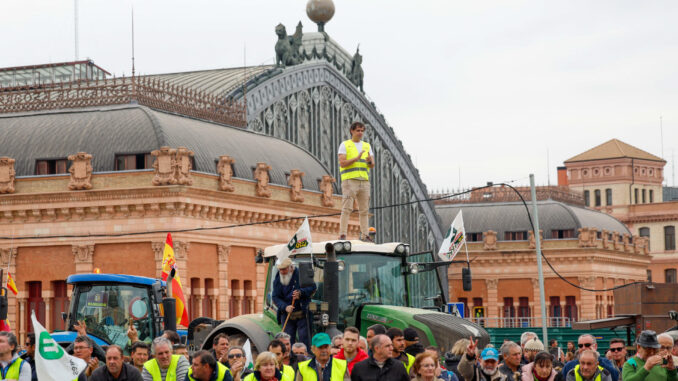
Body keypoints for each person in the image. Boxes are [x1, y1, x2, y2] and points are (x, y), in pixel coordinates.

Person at [337, 121, 375, 241]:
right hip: (350, 181)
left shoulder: (367, 146)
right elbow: (342, 163)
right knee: (347, 208)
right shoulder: (345, 145)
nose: (360, 133)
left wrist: (369, 161)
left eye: (362, 131)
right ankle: (342, 234)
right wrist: (356, 158)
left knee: (364, 210)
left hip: (364, 181)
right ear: (352, 131)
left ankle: (365, 235)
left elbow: (372, 165)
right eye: (358, 130)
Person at [272, 258, 316, 349]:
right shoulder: (277, 279)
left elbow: (313, 287)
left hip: (303, 314)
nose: (282, 272)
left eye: (284, 269)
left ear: (291, 267)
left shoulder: (302, 274)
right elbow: (275, 297)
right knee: (287, 341)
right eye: (280, 270)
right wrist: (285, 307)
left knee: (304, 340)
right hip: (287, 314)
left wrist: (301, 293)